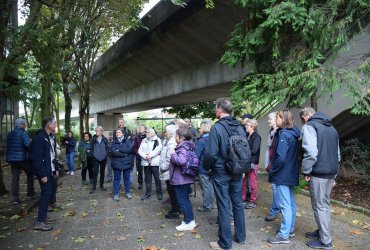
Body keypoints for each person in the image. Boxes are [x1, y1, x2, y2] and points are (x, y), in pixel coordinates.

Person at [204, 97, 246, 250]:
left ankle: (225, 243)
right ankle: (241, 237)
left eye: (216, 108)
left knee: (223, 205)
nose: (215, 110)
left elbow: (210, 153)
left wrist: (207, 167)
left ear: (220, 109)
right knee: (238, 204)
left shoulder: (217, 127)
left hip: (221, 172)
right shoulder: (240, 126)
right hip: (237, 170)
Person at [300, 107, 340, 250]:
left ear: (305, 117)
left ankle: (325, 241)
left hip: (319, 173)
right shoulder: (332, 128)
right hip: (330, 172)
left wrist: (306, 171)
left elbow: (311, 152)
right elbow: (337, 154)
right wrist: (335, 174)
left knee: (319, 206)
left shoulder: (309, 126)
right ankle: (323, 232)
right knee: (325, 204)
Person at [267, 110, 300, 244]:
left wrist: (272, 171)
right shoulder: (292, 132)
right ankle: (289, 229)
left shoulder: (283, 134)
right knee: (290, 203)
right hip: (290, 173)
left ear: (284, 119)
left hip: (282, 174)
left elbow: (280, 158)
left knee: (285, 205)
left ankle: (284, 235)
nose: (276, 119)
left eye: (278, 117)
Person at [30, 117, 58, 231]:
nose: (56, 125)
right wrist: (42, 175)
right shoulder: (39, 138)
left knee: (50, 193)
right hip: (44, 172)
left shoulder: (50, 137)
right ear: (48, 125)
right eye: (54, 123)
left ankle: (44, 217)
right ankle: (40, 222)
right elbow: (36, 158)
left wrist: (55, 169)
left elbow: (52, 156)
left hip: (50, 170)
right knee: (46, 194)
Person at [169, 126, 196, 231]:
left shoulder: (182, 147)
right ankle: (190, 220)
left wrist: (172, 154)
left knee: (182, 200)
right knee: (185, 200)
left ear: (180, 137)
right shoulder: (188, 145)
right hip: (185, 177)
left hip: (181, 179)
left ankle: (187, 221)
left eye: (176, 136)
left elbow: (181, 161)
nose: (175, 137)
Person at [6, 118, 36, 205]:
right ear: (22, 125)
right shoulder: (23, 133)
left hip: (12, 159)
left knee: (15, 178)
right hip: (22, 159)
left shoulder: (10, 134)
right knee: (30, 173)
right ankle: (30, 193)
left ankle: (15, 198)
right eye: (25, 124)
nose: (25, 126)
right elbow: (28, 145)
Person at [159, 124, 180, 219]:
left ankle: (175, 211)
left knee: (172, 191)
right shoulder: (171, 140)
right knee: (173, 191)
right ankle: (176, 209)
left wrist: (163, 167)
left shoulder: (171, 142)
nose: (165, 133)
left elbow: (169, 158)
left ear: (170, 133)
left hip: (169, 171)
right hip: (171, 170)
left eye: (166, 132)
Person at [195, 120, 215, 212]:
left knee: (206, 187)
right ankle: (211, 203)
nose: (199, 129)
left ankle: (207, 205)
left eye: (200, 127)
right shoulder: (213, 139)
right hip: (213, 166)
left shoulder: (202, 140)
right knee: (210, 186)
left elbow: (196, 155)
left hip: (203, 167)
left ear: (204, 128)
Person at [264, 112, 280, 221]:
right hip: (271, 164)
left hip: (275, 165)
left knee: (275, 187)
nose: (268, 121)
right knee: (275, 188)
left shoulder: (278, 133)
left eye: (270, 119)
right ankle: (276, 208)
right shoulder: (272, 132)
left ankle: (275, 209)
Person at [138, 128, 163, 200]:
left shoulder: (157, 139)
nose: (147, 134)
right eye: (146, 132)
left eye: (148, 132)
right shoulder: (144, 140)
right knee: (148, 179)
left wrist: (150, 155)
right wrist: (145, 156)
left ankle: (159, 193)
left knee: (157, 179)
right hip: (146, 163)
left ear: (152, 134)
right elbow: (140, 150)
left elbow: (158, 149)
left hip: (155, 163)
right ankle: (148, 193)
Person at [111, 128, 134, 201]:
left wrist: (119, 150)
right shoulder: (113, 142)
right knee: (117, 179)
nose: (117, 133)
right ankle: (116, 194)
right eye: (116, 132)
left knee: (126, 179)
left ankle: (127, 193)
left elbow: (129, 150)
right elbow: (113, 152)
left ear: (123, 133)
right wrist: (124, 154)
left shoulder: (127, 141)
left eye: (119, 132)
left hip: (127, 163)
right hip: (116, 163)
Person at [243, 119, 261, 209]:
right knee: (244, 181)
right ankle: (243, 198)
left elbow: (254, 150)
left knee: (253, 183)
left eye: (247, 125)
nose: (245, 126)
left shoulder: (256, 137)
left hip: (253, 162)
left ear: (252, 127)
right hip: (246, 162)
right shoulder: (247, 135)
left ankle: (253, 201)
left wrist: (243, 152)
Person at [90, 126, 109, 194]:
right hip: (95, 158)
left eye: (98, 130)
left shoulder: (105, 139)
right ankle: (94, 187)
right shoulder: (93, 139)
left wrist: (106, 154)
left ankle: (101, 186)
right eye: (96, 131)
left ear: (101, 132)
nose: (97, 132)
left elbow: (107, 147)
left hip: (103, 158)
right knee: (95, 172)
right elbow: (91, 148)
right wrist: (93, 154)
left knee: (102, 172)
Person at [133, 125, 147, 189]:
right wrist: (137, 152)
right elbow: (135, 146)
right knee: (139, 170)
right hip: (139, 156)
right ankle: (140, 183)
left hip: (146, 157)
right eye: (140, 128)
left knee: (147, 170)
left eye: (142, 128)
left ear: (145, 129)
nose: (140, 129)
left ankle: (147, 181)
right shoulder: (137, 137)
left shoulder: (147, 136)